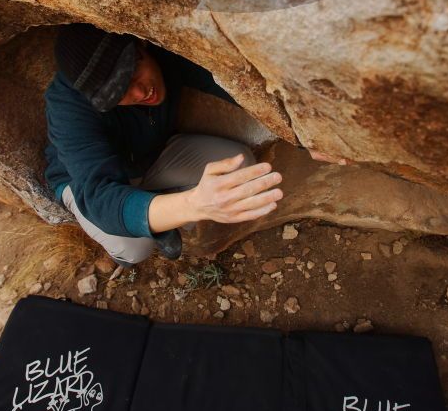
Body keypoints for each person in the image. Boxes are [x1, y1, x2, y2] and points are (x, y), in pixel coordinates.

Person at [43, 23, 284, 267]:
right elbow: (100, 199)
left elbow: (231, 85)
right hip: (85, 181)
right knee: (135, 248)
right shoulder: (67, 108)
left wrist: (303, 136)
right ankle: (154, 217)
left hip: (150, 157)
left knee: (240, 169)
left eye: (134, 74)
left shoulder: (167, 51)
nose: (140, 93)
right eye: (117, 95)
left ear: (140, 44)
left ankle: (153, 209)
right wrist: (193, 205)